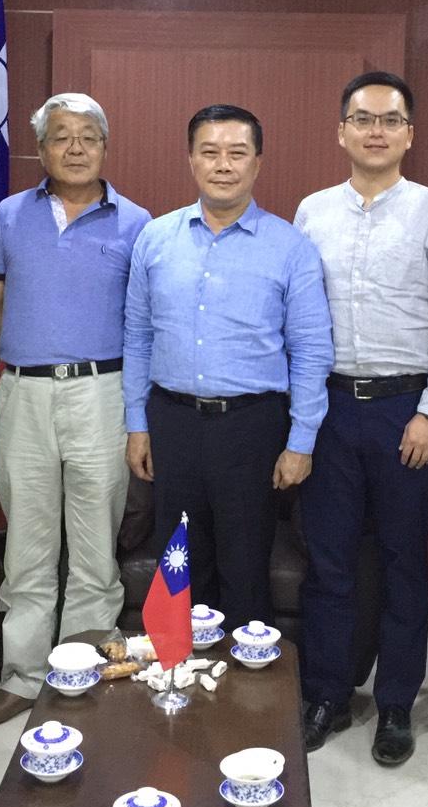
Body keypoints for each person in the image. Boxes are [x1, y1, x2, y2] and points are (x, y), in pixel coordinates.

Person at [294, 71, 428, 767]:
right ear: (340, 131)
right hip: (331, 407)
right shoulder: (312, 211)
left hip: (407, 411)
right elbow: (301, 323)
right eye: (362, 119)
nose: (375, 130)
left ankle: (396, 701)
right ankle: (327, 694)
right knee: (329, 562)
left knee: (404, 563)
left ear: (409, 134)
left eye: (390, 120)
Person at [0, 93, 151, 729]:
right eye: (61, 137)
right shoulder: (10, 217)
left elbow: (144, 324)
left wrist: (138, 416)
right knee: (29, 547)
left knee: (97, 551)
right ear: (40, 150)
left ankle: (79, 675)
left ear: (105, 146)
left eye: (88, 137)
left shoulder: (137, 222)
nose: (75, 148)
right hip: (22, 392)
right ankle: (21, 677)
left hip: (103, 392)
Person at [123, 105, 332, 629]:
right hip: (172, 420)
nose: (223, 165)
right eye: (210, 152)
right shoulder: (155, 239)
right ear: (191, 159)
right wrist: (136, 423)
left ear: (257, 163)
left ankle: (245, 696)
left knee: (245, 563)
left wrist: (301, 441)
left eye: (237, 153)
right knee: (180, 562)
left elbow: (311, 351)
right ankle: (179, 684)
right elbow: (137, 337)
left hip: (253, 426)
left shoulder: (291, 248)